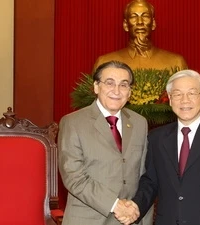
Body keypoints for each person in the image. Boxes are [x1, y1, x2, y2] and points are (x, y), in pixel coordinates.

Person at [117, 69, 200, 225]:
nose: (185, 100)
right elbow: (151, 181)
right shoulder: (157, 138)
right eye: (177, 94)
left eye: (192, 93)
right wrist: (135, 206)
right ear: (170, 99)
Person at [58, 60, 152, 225]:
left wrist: (136, 210)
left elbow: (143, 174)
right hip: (88, 220)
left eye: (124, 85)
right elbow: (74, 177)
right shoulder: (73, 122)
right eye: (109, 83)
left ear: (130, 92)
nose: (116, 90)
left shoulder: (139, 123)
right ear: (96, 87)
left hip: (130, 219)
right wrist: (115, 205)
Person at [93, 0, 188, 72]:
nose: (140, 22)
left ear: (153, 23)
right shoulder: (104, 62)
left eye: (145, 16)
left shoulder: (176, 63)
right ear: (125, 25)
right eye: (134, 17)